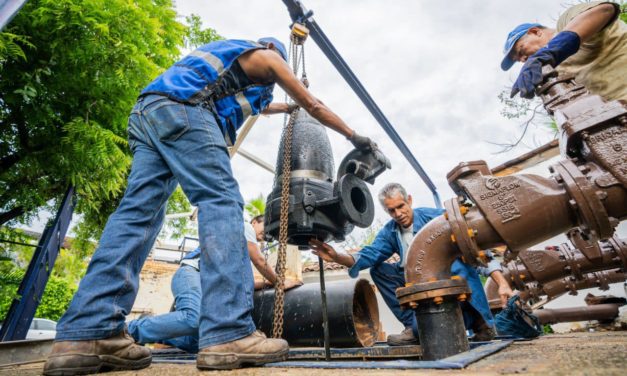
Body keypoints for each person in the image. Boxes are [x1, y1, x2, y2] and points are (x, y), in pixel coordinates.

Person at [44, 37, 377, 374]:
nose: (280, 78)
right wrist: (355, 136)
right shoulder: (268, 57)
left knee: (137, 217)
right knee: (223, 203)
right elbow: (314, 105)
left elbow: (261, 107)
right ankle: (228, 332)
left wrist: (287, 109)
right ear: (275, 53)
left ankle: (89, 332)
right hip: (187, 109)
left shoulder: (228, 61)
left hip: (149, 113)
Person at [310, 183, 514, 346]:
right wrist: (337, 256)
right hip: (421, 288)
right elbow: (370, 254)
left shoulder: (436, 218)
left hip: (452, 285)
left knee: (457, 264)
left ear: (409, 200)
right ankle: (412, 325)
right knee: (379, 270)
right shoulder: (391, 232)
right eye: (391, 211)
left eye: (400, 206)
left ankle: (481, 323)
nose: (398, 214)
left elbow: (477, 251)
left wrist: (502, 283)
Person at [127, 217, 301, 353]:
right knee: (193, 318)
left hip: (205, 286)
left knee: (202, 344)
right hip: (192, 274)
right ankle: (130, 330)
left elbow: (245, 283)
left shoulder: (237, 254)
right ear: (255, 222)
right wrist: (279, 282)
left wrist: (270, 285)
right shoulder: (243, 226)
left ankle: (150, 329)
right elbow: (259, 259)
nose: (266, 234)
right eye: (265, 226)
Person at [502, 1, 626, 100]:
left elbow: (605, 10)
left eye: (520, 51)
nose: (522, 59)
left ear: (535, 32)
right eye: (518, 60)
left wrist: (550, 51)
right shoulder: (556, 72)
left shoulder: (565, 21)